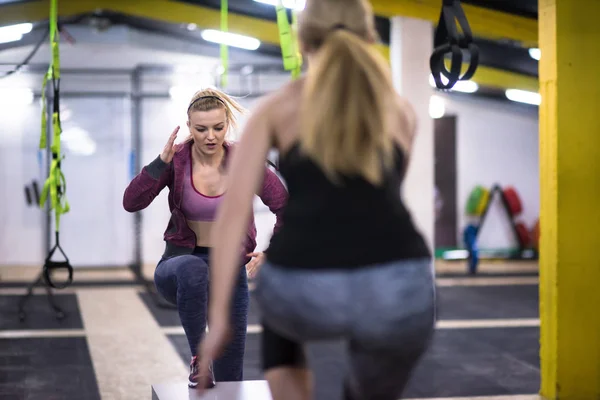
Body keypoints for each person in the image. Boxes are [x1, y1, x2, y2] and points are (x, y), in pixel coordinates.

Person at [197, 0, 436, 399]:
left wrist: (219, 319)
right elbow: (382, 201)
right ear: (371, 36)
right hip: (402, 285)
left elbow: (233, 215)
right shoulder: (401, 111)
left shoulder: (278, 107)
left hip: (302, 287)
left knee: (281, 326)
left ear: (302, 40)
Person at [122, 88, 288, 388]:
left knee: (230, 377)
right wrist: (160, 161)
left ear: (227, 125)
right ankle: (200, 357)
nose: (210, 136)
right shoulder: (177, 160)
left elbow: (286, 208)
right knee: (193, 269)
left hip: (229, 272)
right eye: (201, 129)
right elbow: (131, 202)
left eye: (218, 127)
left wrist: (272, 251)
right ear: (189, 128)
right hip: (178, 267)